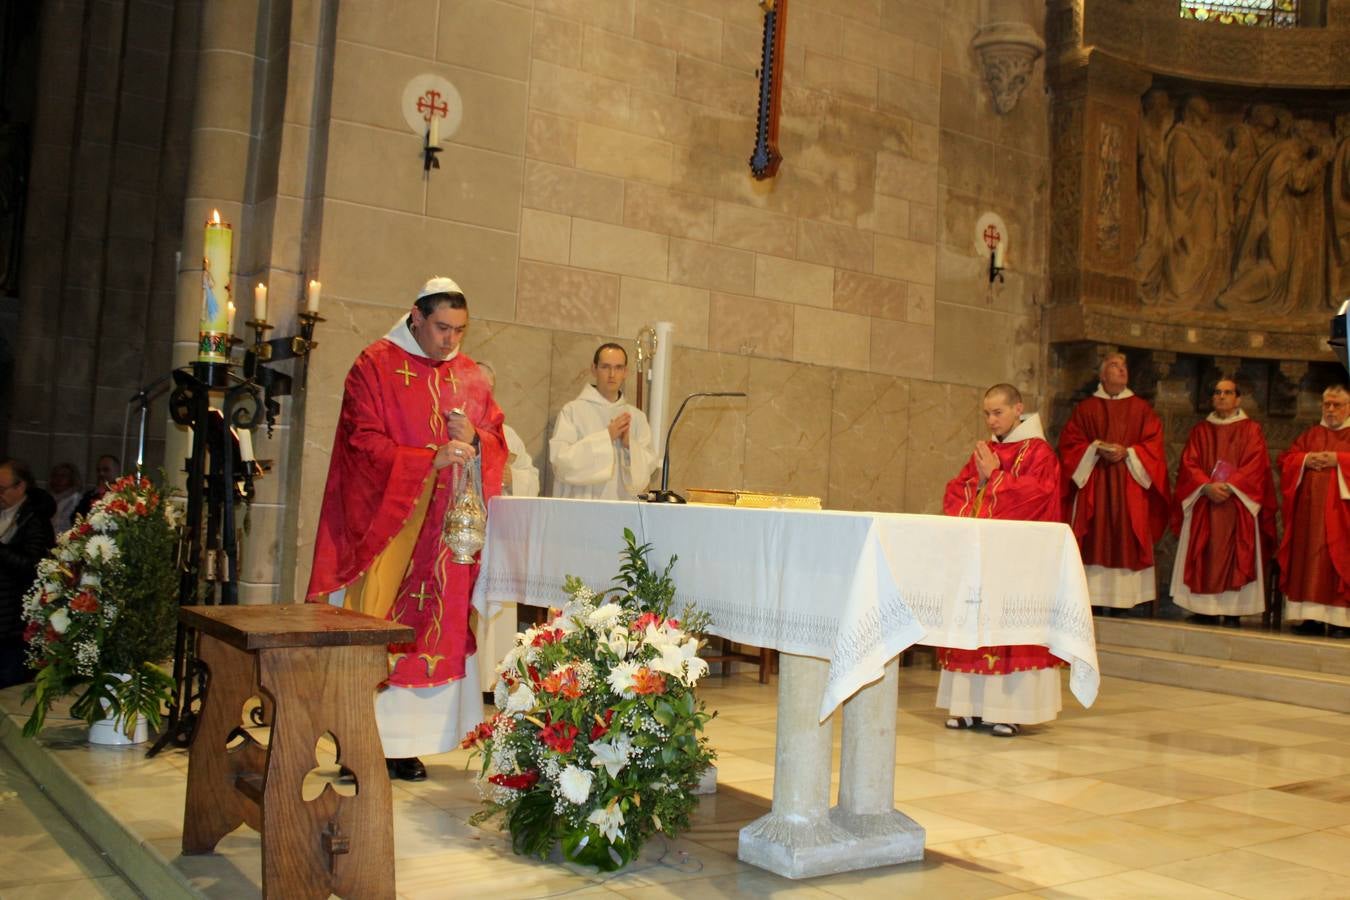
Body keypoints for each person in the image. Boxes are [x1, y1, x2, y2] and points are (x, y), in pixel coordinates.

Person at [307, 276, 507, 781]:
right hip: (390, 529)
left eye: (460, 330)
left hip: (445, 538)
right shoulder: (374, 364)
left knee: (436, 632)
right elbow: (361, 443)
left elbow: (499, 441)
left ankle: (408, 744)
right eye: (442, 327)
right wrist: (427, 460)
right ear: (415, 316)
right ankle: (360, 741)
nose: (451, 340)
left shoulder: (471, 377)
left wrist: (478, 440)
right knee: (379, 627)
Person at [938, 385, 1067, 737]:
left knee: (1010, 633)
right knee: (975, 627)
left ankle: (1009, 710)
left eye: (998, 412)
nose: (991, 420)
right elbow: (955, 494)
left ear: (1018, 409)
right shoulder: (985, 451)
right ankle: (966, 707)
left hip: (1019, 564)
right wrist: (980, 479)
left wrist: (994, 477)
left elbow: (1035, 499)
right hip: (982, 560)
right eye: (986, 413)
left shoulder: (1040, 453)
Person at [1059, 353, 1171, 614]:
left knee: (1126, 535)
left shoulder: (1141, 409)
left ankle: (1124, 602)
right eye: (1114, 366)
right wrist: (1095, 449)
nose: (1121, 370)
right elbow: (1070, 446)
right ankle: (1094, 599)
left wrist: (1129, 453)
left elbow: (1154, 446)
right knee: (1096, 536)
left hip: (1128, 487)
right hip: (1096, 487)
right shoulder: (1086, 409)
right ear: (1102, 375)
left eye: (1124, 366)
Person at [1170, 379, 1277, 627]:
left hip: (1237, 504)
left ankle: (1233, 611)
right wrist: (1206, 486)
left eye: (1227, 393)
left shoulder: (1251, 430)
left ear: (1238, 399)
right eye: (1217, 392)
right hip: (1206, 501)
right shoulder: (1200, 431)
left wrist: (1230, 486)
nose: (1221, 397)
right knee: (1204, 551)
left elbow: (1256, 464)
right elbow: (1189, 464)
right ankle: (1202, 608)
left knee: (1238, 554)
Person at [1276, 384, 1350, 637]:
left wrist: (1338, 460)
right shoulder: (1311, 435)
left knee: (1339, 562)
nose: (1330, 409)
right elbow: (1286, 460)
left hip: (1342, 517)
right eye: (1326, 404)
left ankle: (1342, 621)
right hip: (1310, 517)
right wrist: (1305, 460)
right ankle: (1310, 618)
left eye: (1336, 404)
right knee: (1309, 562)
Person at [548, 342, 658, 500]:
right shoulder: (572, 411)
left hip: (622, 509)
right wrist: (606, 437)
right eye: (605, 367)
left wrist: (629, 446)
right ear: (594, 369)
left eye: (618, 367)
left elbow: (647, 471)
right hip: (583, 509)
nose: (612, 374)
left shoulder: (637, 417)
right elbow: (560, 464)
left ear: (625, 372)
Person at [0, 459, 56, 688]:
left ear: (20, 487)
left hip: (13, 623)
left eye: (2, 489)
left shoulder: (36, 521)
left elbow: (35, 568)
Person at [476, 361, 540, 499]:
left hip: (499, 514)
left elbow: (533, 480)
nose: (484, 395)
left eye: (489, 389)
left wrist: (513, 478)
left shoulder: (507, 434)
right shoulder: (454, 429)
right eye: (478, 387)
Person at [74, 454, 120, 520]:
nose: (101, 473)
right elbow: (76, 517)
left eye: (106, 470)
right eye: (98, 470)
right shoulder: (89, 495)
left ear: (117, 471)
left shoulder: (123, 495)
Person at [46, 462, 81, 534]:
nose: (59, 479)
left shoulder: (75, 498)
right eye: (56, 475)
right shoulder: (48, 498)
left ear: (71, 478)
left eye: (63, 476)